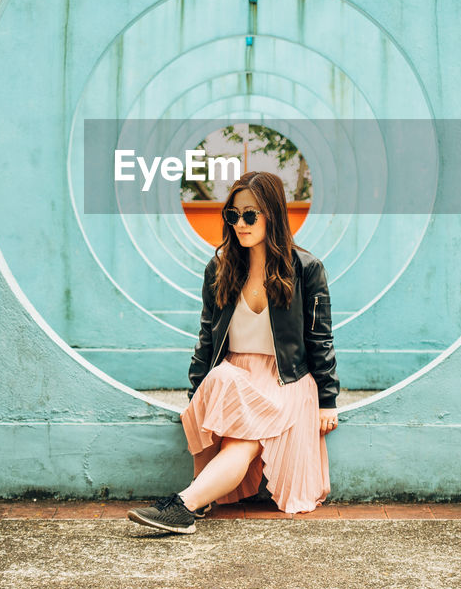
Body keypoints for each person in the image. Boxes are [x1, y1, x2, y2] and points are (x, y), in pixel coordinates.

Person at [128, 171, 340, 534]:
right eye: (233, 215)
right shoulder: (220, 268)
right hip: (233, 377)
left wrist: (328, 400)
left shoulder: (306, 269)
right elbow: (207, 339)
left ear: (271, 214)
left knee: (239, 440)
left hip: (283, 381)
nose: (240, 224)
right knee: (225, 383)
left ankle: (186, 505)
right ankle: (191, 502)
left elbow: (320, 339)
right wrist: (198, 396)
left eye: (250, 215)